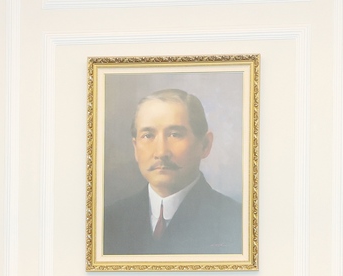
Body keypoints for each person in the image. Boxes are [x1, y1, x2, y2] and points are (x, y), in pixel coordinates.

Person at [103, 88, 243, 256]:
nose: (161, 152)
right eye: (148, 136)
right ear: (135, 148)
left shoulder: (236, 220)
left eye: (175, 134)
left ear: (205, 145)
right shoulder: (108, 220)